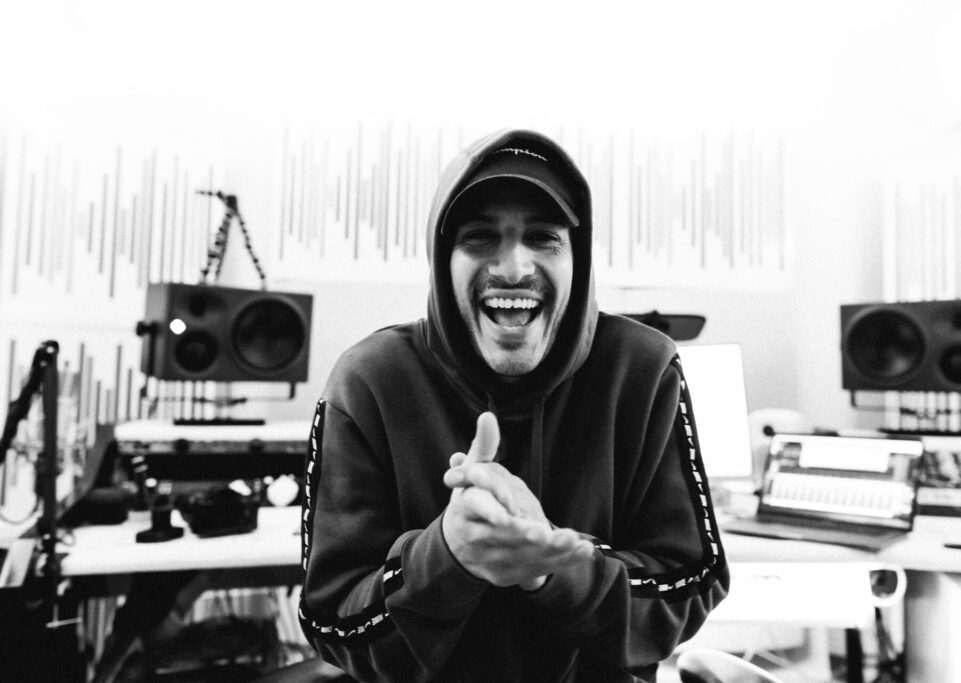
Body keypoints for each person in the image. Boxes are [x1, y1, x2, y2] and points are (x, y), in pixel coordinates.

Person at [298, 128, 729, 682]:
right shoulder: (369, 381)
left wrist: (560, 568)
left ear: (578, 257)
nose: (514, 267)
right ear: (441, 260)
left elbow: (691, 585)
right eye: (480, 237)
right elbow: (330, 622)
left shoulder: (642, 370)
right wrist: (445, 555)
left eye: (543, 237)